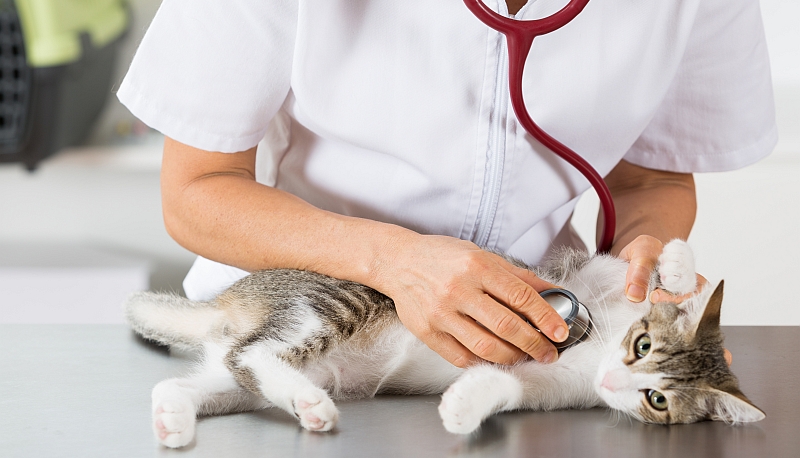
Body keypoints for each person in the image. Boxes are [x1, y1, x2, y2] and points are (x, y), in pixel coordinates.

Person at [118, 0, 775, 368]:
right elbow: (198, 191)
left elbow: (650, 178)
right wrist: (398, 263)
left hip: (525, 347)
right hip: (297, 341)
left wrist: (645, 250)